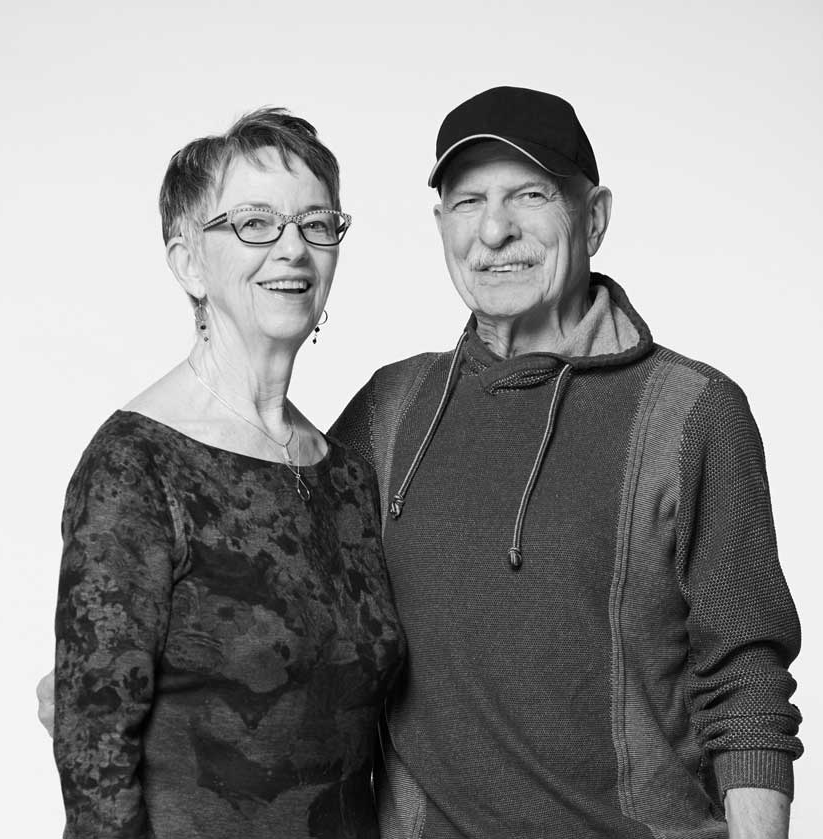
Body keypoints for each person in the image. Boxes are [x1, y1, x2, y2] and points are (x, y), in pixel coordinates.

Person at [327, 87, 802, 838]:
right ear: (441, 225)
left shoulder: (693, 412)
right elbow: (272, 578)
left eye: (529, 194)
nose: (494, 229)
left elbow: (746, 682)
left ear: (595, 216)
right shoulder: (391, 409)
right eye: (467, 200)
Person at [48, 107, 405, 839]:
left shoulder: (345, 475)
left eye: (316, 223)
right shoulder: (137, 466)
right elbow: (93, 752)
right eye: (254, 224)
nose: (293, 250)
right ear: (188, 262)